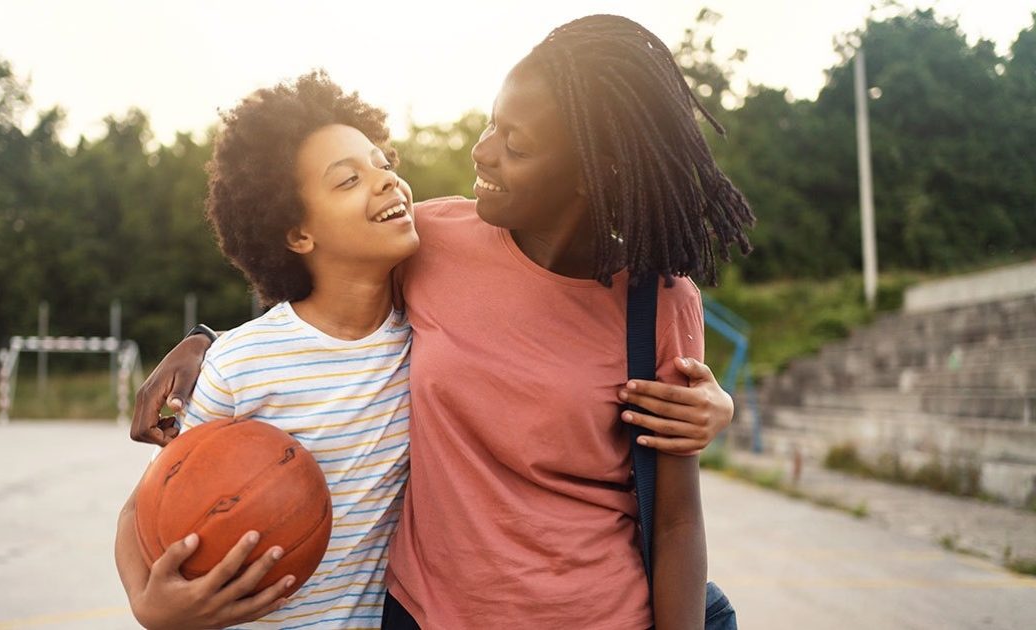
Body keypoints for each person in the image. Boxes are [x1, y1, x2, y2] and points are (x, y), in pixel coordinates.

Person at [133, 14, 753, 629]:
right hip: (424, 613)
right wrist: (204, 343)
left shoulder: (660, 305)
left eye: (516, 144)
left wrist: (714, 408)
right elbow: (329, 282)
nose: (481, 150)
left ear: (594, 173)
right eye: (492, 122)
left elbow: (676, 522)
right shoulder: (434, 241)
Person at [115, 71, 421, 629]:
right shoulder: (242, 364)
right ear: (297, 234)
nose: (385, 182)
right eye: (348, 180)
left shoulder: (429, 336)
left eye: (385, 163)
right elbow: (146, 507)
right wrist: (150, 607)